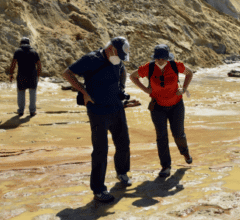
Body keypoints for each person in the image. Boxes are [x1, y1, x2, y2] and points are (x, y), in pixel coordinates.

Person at [62, 36, 132, 203]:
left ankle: (122, 172)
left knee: (123, 142)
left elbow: (123, 71)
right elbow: (67, 73)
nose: (120, 60)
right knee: (101, 150)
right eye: (118, 55)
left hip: (117, 107)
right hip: (97, 110)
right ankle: (99, 189)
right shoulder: (90, 59)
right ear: (110, 49)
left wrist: (122, 88)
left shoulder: (117, 59)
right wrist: (84, 92)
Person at [130, 44, 193, 178]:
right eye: (158, 58)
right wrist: (145, 90)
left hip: (176, 105)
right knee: (161, 136)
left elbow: (190, 73)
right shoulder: (149, 67)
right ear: (154, 58)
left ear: (168, 58)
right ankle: (166, 166)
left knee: (178, 134)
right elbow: (132, 76)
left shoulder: (176, 65)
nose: (160, 61)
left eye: (163, 58)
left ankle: (185, 152)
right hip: (157, 106)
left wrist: (184, 88)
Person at [9, 37, 41, 117]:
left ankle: (21, 111)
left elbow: (13, 64)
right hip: (32, 76)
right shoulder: (34, 52)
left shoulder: (18, 51)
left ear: (21, 43)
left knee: (21, 93)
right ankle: (32, 111)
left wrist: (11, 74)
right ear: (29, 43)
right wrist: (38, 75)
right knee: (32, 93)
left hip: (21, 75)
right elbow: (39, 65)